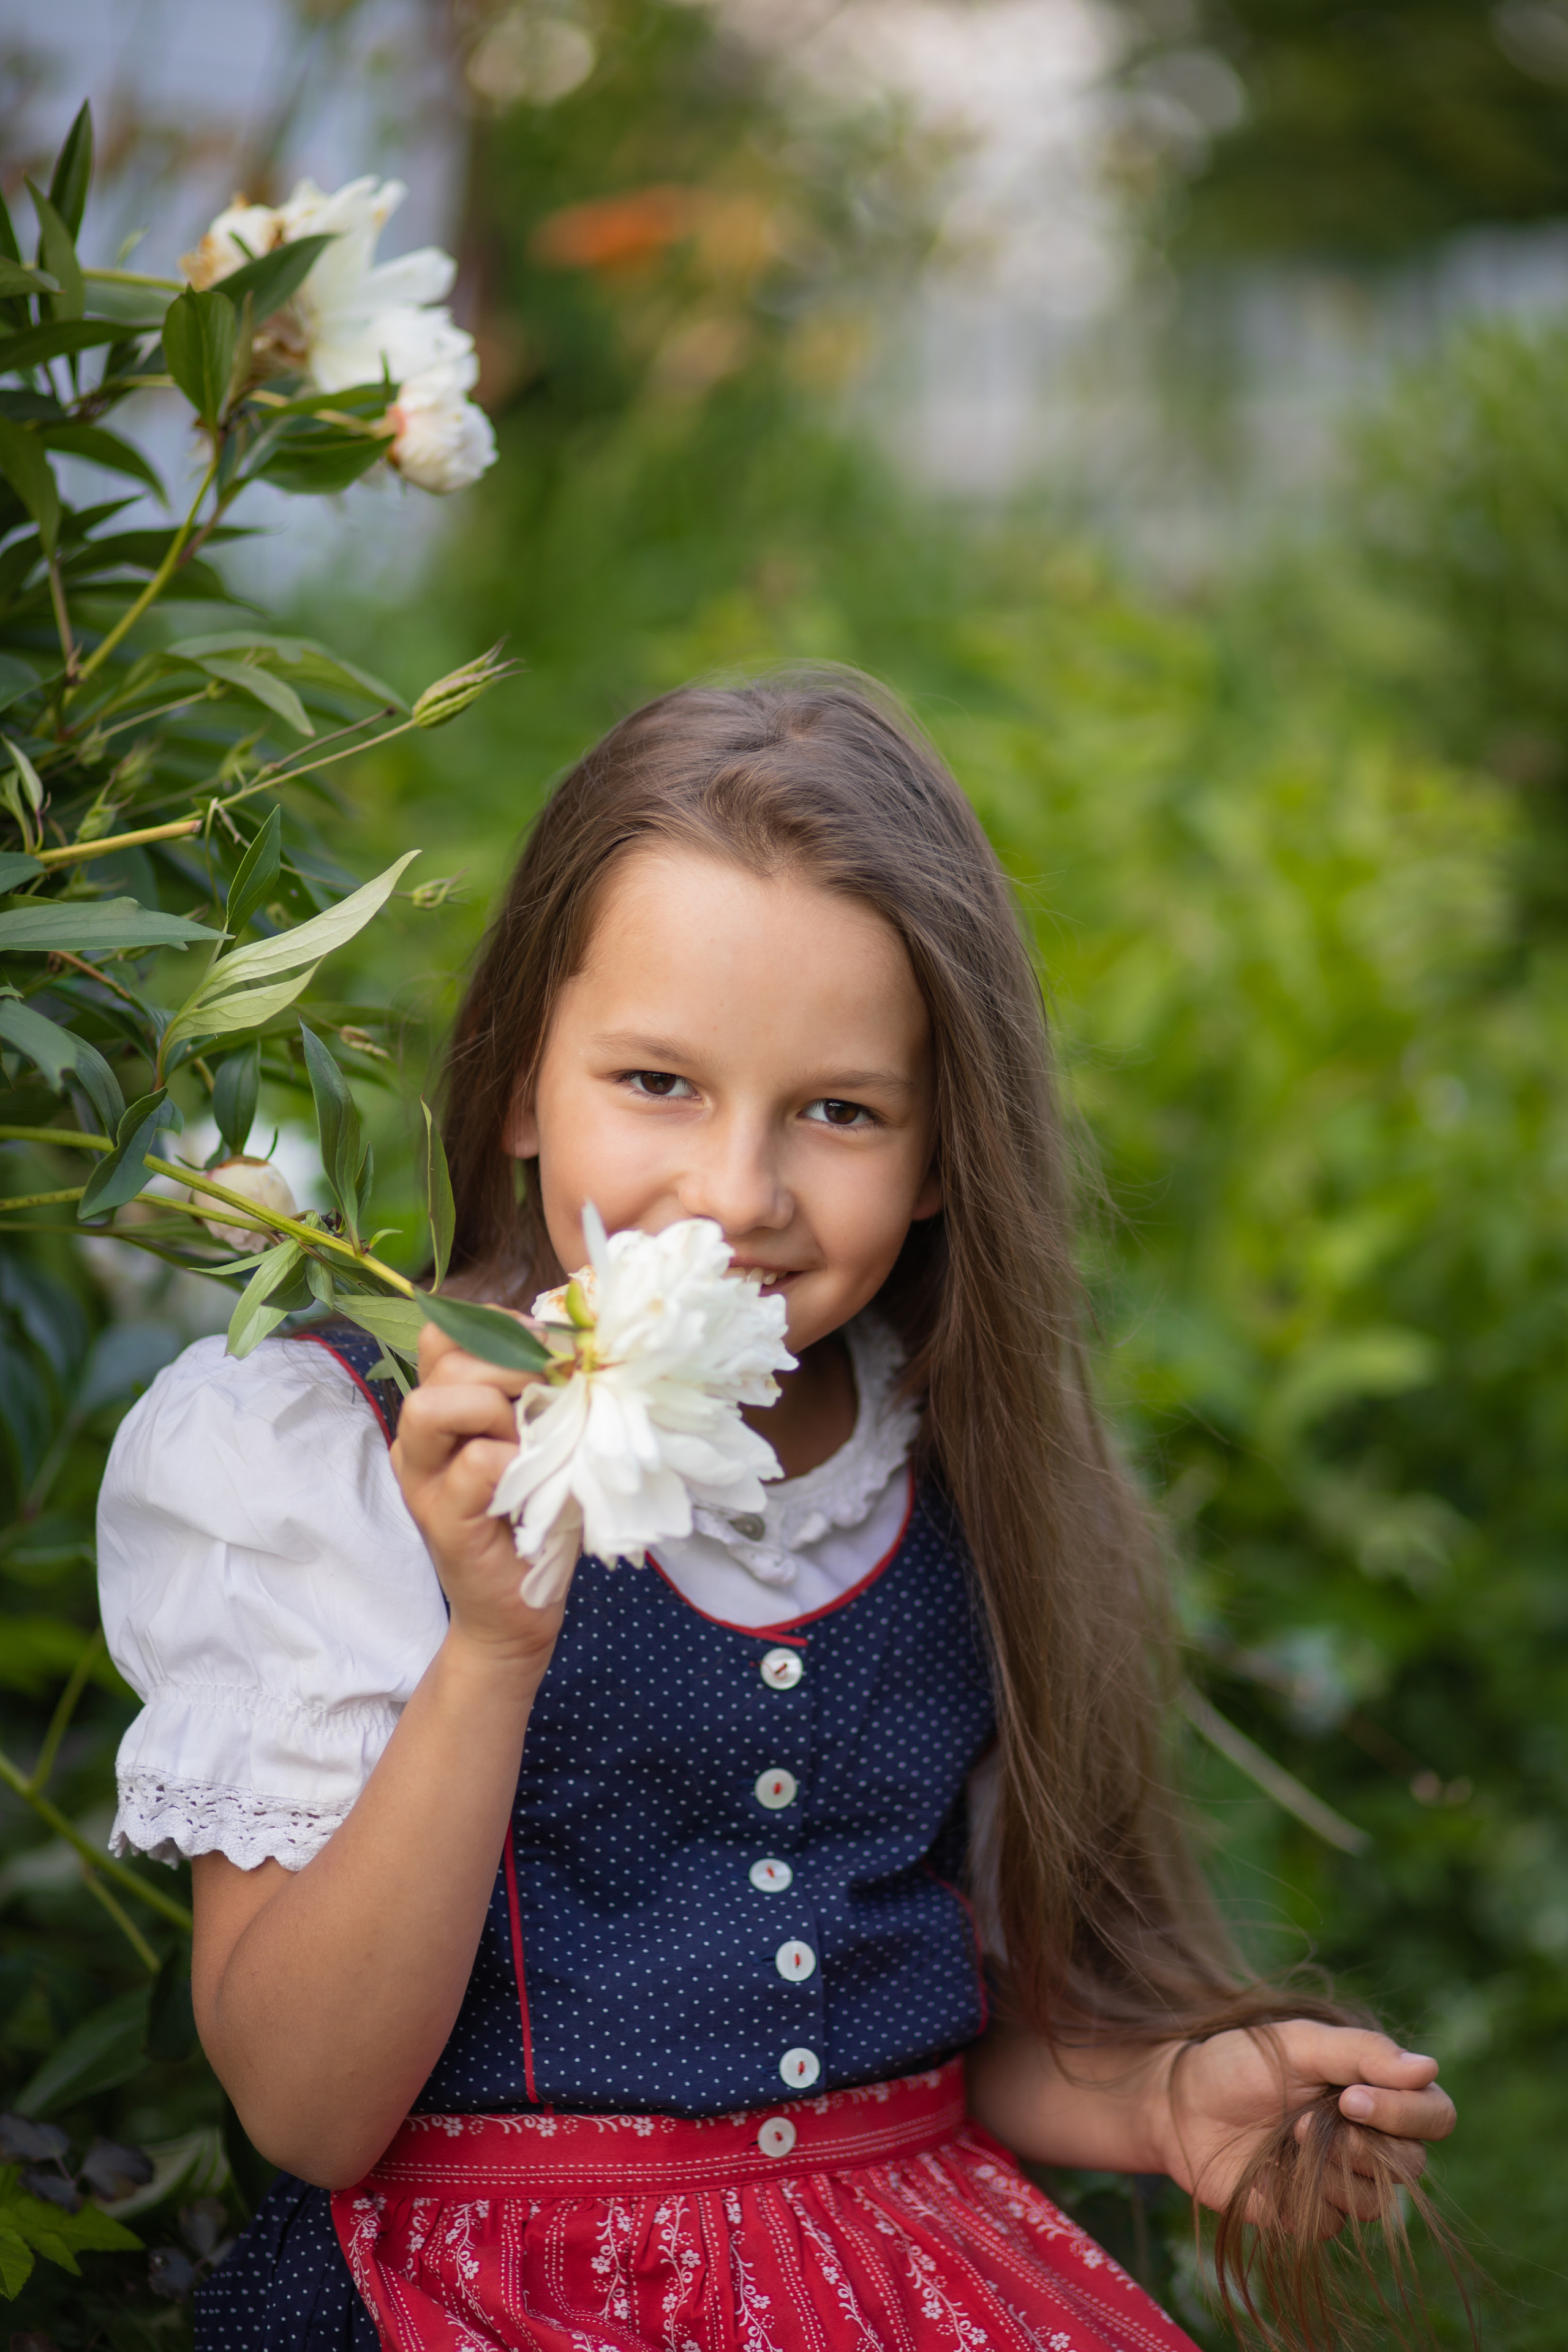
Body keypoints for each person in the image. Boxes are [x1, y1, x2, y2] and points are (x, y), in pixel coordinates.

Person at [99, 671, 1455, 2352]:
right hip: (489, 2291)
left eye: (840, 1112)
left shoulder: (966, 1464)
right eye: (657, 1082)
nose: (739, 1195)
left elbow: (936, 2016)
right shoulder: (325, 1452)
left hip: (910, 2274)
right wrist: (489, 1649)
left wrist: (1167, 2100)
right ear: (523, 1080)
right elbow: (308, 2114)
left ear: (947, 1148)